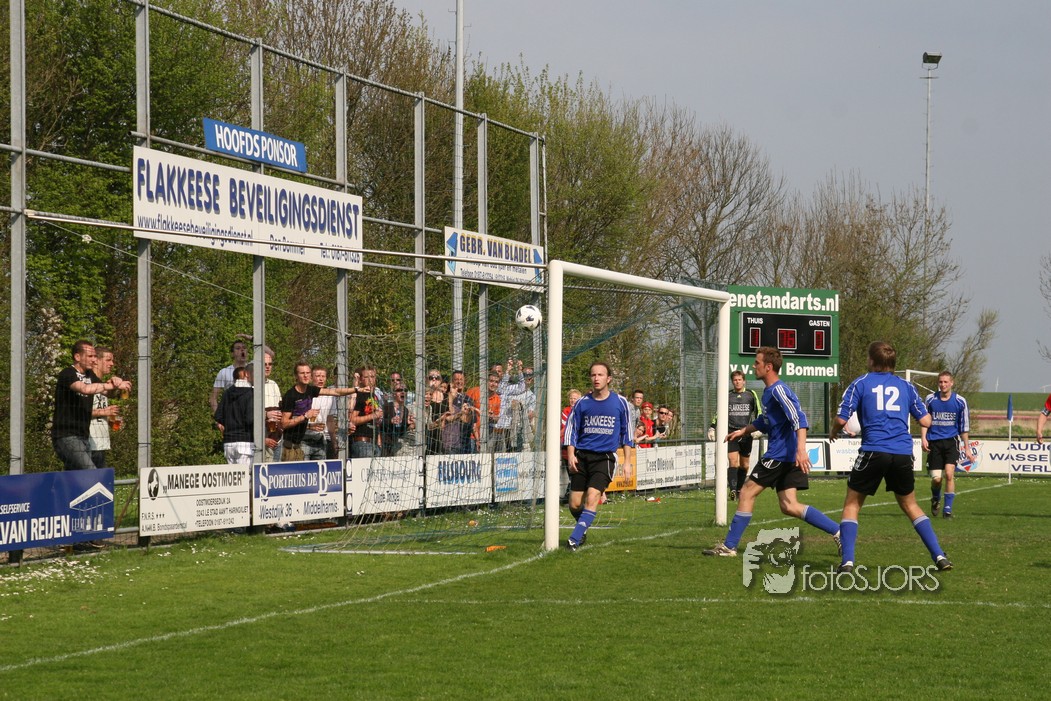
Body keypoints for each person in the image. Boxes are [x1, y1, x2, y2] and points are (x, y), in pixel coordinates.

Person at [703, 347, 840, 557]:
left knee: (746, 492)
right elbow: (765, 422)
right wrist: (743, 431)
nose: (753, 366)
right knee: (789, 505)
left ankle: (729, 546)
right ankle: (838, 531)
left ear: (768, 367)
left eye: (757, 363)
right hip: (786, 456)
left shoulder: (778, 390)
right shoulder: (768, 392)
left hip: (779, 455)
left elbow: (799, 418)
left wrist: (801, 450)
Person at [829, 341, 953, 573]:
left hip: (874, 450)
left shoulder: (860, 383)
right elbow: (926, 420)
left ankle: (847, 562)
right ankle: (939, 556)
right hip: (902, 452)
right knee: (911, 505)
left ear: (872, 360)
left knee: (852, 504)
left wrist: (833, 431)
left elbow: (842, 418)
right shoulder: (906, 386)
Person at [562, 362, 634, 550]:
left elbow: (627, 434)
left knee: (593, 497)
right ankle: (582, 528)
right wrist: (571, 454)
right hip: (582, 456)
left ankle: (574, 540)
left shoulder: (620, 402)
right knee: (574, 504)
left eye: (600, 375)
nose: (596, 378)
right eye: (593, 375)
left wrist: (627, 462)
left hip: (605, 458)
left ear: (608, 378)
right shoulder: (582, 403)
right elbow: (571, 430)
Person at [53, 340, 131, 470]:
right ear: (77, 357)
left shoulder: (90, 375)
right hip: (66, 435)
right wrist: (109, 385)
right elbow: (85, 389)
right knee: (91, 473)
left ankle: (59, 484)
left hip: (83, 435)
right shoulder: (67, 373)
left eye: (95, 356)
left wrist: (116, 384)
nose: (94, 360)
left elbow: (107, 393)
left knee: (75, 476)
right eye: (90, 356)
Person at [281, 362, 361, 461]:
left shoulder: (312, 390)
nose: (305, 375)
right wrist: (306, 418)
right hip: (295, 443)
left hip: (319, 440)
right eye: (302, 373)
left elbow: (335, 392)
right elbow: (284, 423)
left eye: (307, 373)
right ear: (296, 376)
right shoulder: (290, 395)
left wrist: (356, 389)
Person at [921, 371, 970, 518]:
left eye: (945, 382)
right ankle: (936, 498)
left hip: (951, 442)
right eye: (940, 382)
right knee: (936, 479)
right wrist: (923, 438)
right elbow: (924, 421)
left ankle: (947, 510)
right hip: (934, 443)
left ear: (951, 383)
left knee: (949, 474)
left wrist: (967, 448)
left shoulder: (960, 401)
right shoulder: (930, 399)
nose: (943, 384)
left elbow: (964, 427)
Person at [709, 370, 762, 501]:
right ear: (732, 382)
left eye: (739, 380)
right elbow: (718, 412)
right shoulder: (727, 395)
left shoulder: (751, 394)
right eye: (735, 380)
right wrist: (712, 427)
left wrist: (758, 428)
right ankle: (732, 489)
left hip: (746, 433)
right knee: (733, 461)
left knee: (744, 465)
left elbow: (758, 411)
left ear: (744, 381)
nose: (737, 382)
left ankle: (739, 489)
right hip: (731, 433)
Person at [88, 346, 122, 469]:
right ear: (96, 360)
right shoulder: (87, 383)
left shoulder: (102, 385)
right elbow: (78, 411)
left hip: (100, 443)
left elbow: (100, 409)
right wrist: (104, 412)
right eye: (108, 360)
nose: (112, 364)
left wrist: (111, 419)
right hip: (87, 442)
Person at [214, 366, 255, 464]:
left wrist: (229, 424)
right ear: (246, 375)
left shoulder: (227, 393)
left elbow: (218, 416)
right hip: (245, 442)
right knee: (246, 473)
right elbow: (250, 419)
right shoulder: (251, 393)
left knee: (233, 474)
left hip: (229, 443)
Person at [349, 365, 385, 458]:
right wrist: (373, 416)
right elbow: (353, 419)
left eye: (372, 376)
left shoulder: (374, 396)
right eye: (366, 377)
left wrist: (379, 441)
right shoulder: (361, 395)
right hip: (362, 443)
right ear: (361, 379)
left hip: (374, 443)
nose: (370, 380)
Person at [210, 338, 249, 414]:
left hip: (250, 416)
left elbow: (271, 354)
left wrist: (251, 338)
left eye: (244, 348)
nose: (242, 350)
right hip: (232, 415)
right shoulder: (224, 372)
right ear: (232, 354)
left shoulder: (254, 370)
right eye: (238, 348)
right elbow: (213, 398)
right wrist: (219, 417)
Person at [262, 351, 283, 462]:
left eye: (270, 364)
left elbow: (279, 408)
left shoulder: (273, 384)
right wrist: (266, 414)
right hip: (261, 439)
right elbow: (248, 415)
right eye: (264, 364)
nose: (267, 367)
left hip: (277, 437)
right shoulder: (251, 386)